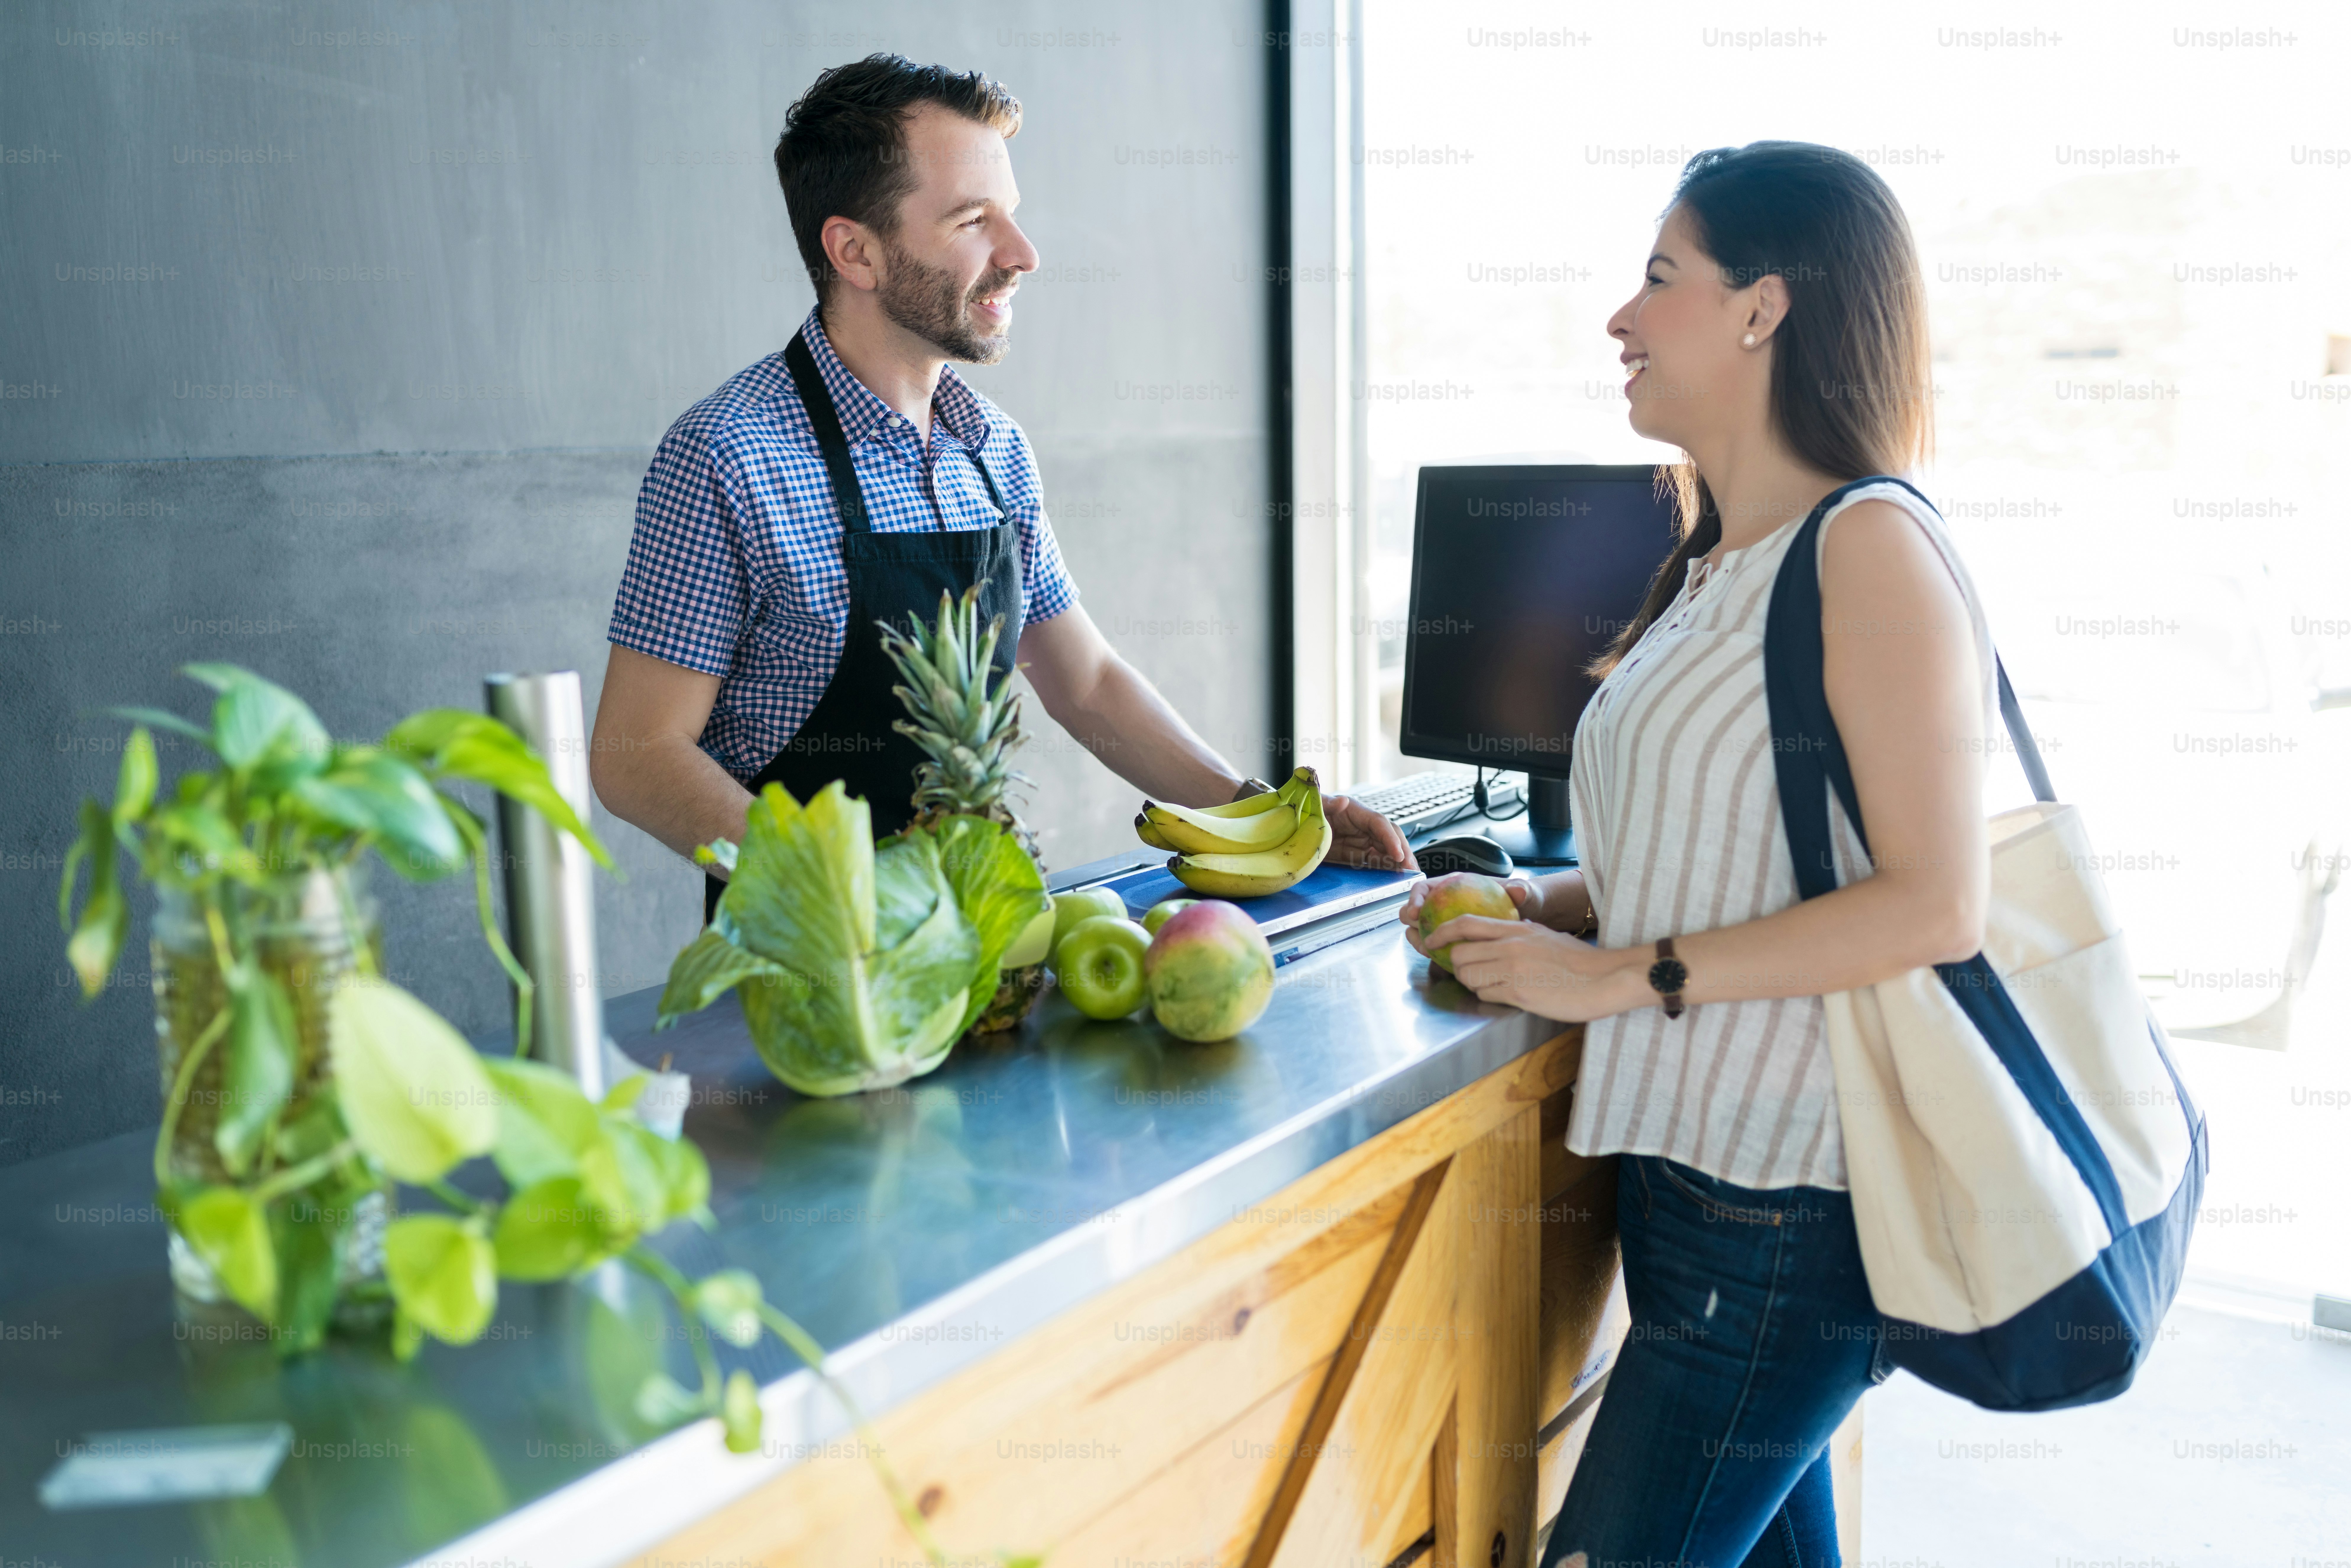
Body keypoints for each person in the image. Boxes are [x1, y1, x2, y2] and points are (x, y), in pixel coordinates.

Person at [1408, 143, 1997, 1567]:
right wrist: (1525, 905)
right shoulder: (1721, 557)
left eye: (1659, 278)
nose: (1620, 317)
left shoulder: (1868, 547)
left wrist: (1614, 982)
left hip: (1792, 1216)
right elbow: (1711, 856)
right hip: (1693, 1197)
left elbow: (1932, 903)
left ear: (1762, 310)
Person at [590, 55, 1408, 908]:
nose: (1023, 254)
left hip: (984, 929)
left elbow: (1083, 682)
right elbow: (637, 756)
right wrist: (843, 898)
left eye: (1010, 216)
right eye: (975, 221)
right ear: (855, 252)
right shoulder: (727, 454)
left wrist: (1254, 814)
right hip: (808, 968)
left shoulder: (994, 448)